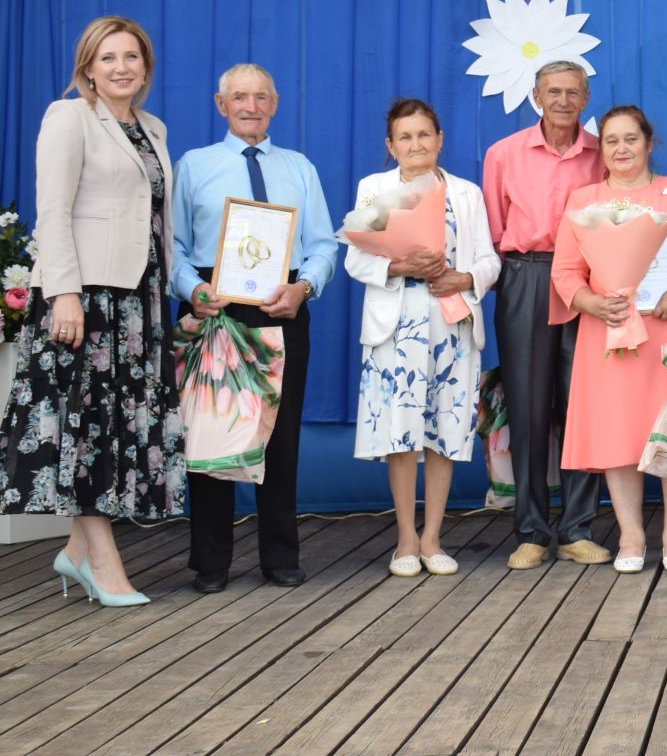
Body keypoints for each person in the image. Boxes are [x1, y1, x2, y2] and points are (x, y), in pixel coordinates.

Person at [0, 17, 184, 606]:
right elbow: (51, 212)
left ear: (145, 68)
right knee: (85, 428)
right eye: (108, 58)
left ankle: (75, 554)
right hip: (88, 300)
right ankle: (103, 564)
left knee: (111, 431)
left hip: (139, 300)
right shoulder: (68, 118)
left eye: (132, 57)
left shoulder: (152, 127)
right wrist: (65, 295)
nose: (121, 67)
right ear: (88, 68)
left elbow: (155, 221)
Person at [171, 62, 337, 592]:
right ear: (221, 105)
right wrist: (189, 291)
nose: (251, 106)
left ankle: (280, 557)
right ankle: (211, 563)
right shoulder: (193, 166)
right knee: (211, 434)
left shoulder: (299, 167)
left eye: (261, 96)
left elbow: (323, 245)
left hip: (282, 304)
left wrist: (305, 287)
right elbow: (169, 246)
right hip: (213, 306)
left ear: (275, 103)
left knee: (281, 435)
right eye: (240, 97)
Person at [343, 98, 500, 578]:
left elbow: (490, 260)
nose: (416, 144)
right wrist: (397, 266)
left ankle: (433, 537)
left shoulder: (466, 193)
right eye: (405, 137)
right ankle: (405, 538)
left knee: (443, 433)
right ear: (391, 146)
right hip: (396, 327)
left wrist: (466, 278)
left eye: (424, 135)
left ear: (440, 139)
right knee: (402, 433)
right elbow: (355, 259)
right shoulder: (376, 188)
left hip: (450, 324)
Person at [551, 105, 667, 574]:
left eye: (630, 139)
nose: (621, 148)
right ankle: (631, 536)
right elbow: (564, 271)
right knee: (618, 433)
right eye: (611, 140)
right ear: (601, 148)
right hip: (610, 332)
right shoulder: (583, 199)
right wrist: (589, 302)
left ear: (649, 142)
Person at [481, 60, 610, 570]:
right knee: (529, 407)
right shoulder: (503, 155)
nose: (562, 100)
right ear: (535, 96)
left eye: (572, 92)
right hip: (527, 277)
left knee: (583, 404)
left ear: (586, 97)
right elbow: (493, 231)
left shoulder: (603, 155)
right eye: (552, 91)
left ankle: (577, 527)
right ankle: (531, 531)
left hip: (588, 282)